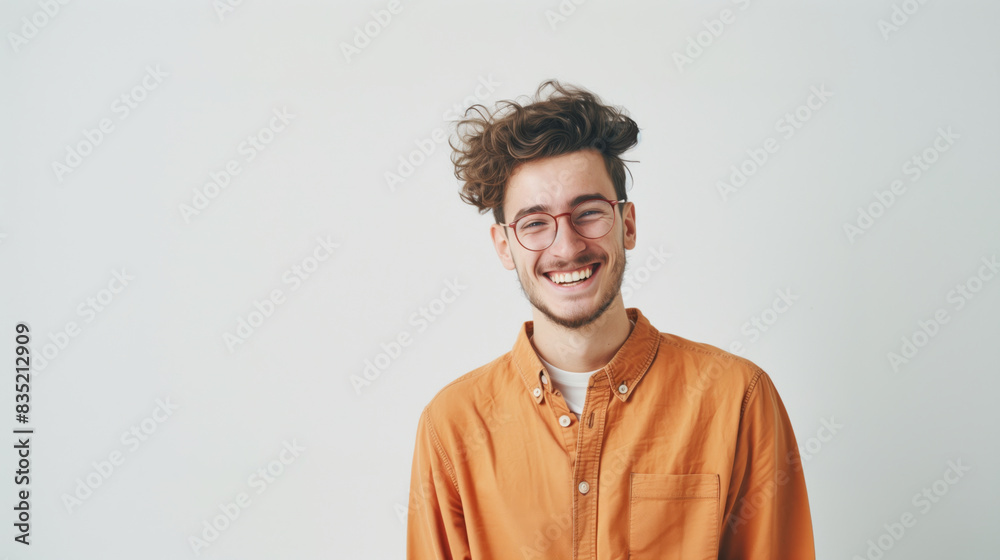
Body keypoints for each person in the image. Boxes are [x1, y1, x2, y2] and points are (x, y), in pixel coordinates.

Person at [406, 79, 815, 559]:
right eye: (535, 223)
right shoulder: (453, 425)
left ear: (628, 224)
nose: (567, 246)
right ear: (504, 246)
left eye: (589, 213)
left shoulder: (736, 399)